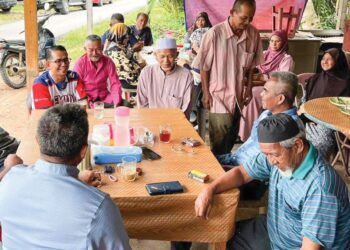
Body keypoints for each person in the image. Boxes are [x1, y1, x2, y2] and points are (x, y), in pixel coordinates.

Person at [195, 113, 350, 250]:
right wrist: (210, 189)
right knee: (223, 235)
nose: (270, 161)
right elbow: (241, 173)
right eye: (266, 154)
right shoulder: (277, 155)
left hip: (294, 245)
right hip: (275, 229)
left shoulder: (320, 189)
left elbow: (310, 248)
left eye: (274, 155)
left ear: (297, 146)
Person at [0, 104, 131, 249]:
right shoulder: (99, 208)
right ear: (83, 152)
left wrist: (9, 168)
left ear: (38, 140)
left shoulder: (7, 181)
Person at [196, 0, 263, 155]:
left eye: (250, 18)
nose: (247, 22)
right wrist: (206, 94)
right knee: (218, 143)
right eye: (243, 18)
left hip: (239, 98)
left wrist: (249, 88)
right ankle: (218, 171)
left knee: (231, 138)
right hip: (218, 97)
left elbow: (252, 66)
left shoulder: (253, 34)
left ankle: (225, 169)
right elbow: (204, 68)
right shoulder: (214, 34)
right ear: (232, 12)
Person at [239, 29, 295, 141]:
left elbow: (281, 81)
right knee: (241, 90)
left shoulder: (286, 59)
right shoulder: (265, 54)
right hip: (261, 84)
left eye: (277, 41)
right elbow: (254, 69)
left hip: (276, 90)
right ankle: (240, 130)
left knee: (254, 95)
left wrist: (259, 80)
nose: (274, 44)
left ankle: (250, 133)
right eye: (272, 41)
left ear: (283, 43)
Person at [301, 48, 350, 159]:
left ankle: (315, 167)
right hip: (310, 119)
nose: (325, 62)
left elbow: (345, 108)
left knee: (321, 143)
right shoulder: (315, 79)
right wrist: (305, 114)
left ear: (338, 62)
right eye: (323, 58)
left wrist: (321, 119)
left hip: (332, 123)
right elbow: (304, 100)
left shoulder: (346, 82)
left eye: (329, 59)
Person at [137, 38, 194, 118]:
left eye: (170, 56)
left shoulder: (186, 76)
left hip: (176, 123)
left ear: (176, 55)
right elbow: (142, 105)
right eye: (162, 56)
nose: (166, 61)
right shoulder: (146, 73)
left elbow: (186, 109)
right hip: (151, 121)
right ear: (155, 56)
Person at [31, 45, 87, 110]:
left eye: (66, 60)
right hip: (52, 119)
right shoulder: (40, 84)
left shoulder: (74, 77)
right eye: (58, 61)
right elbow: (45, 115)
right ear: (48, 64)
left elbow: (83, 104)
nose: (64, 64)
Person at [74, 34, 122, 108]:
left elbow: (115, 83)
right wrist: (87, 104)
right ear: (85, 49)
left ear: (102, 47)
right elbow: (77, 87)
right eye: (91, 50)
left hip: (105, 98)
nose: (94, 53)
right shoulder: (80, 64)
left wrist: (117, 102)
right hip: (88, 101)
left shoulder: (108, 61)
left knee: (125, 106)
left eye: (98, 49)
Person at [105, 23, 144, 91]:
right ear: (121, 36)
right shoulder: (115, 51)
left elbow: (126, 57)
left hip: (126, 78)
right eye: (127, 36)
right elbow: (130, 71)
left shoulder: (114, 46)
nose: (128, 38)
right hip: (127, 82)